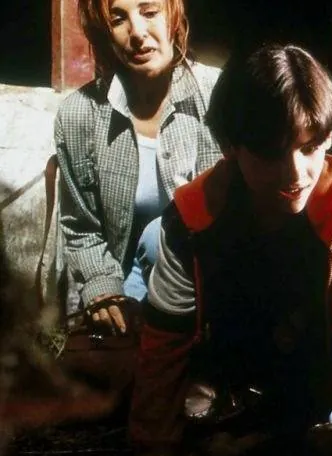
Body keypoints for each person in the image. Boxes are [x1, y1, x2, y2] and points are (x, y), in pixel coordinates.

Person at [128, 43, 332, 456]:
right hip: (220, 384)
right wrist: (153, 452)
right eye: (272, 154)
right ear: (230, 147)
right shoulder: (190, 220)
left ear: (328, 137)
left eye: (309, 147)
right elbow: (163, 346)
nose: (296, 174)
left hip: (315, 388)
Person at [54, 0, 222, 334]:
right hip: (126, 302)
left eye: (149, 12)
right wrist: (103, 289)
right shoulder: (78, 116)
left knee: (159, 236)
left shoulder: (218, 96)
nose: (137, 33)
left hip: (208, 292)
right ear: (105, 31)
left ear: (173, 13)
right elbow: (81, 227)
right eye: (118, 19)